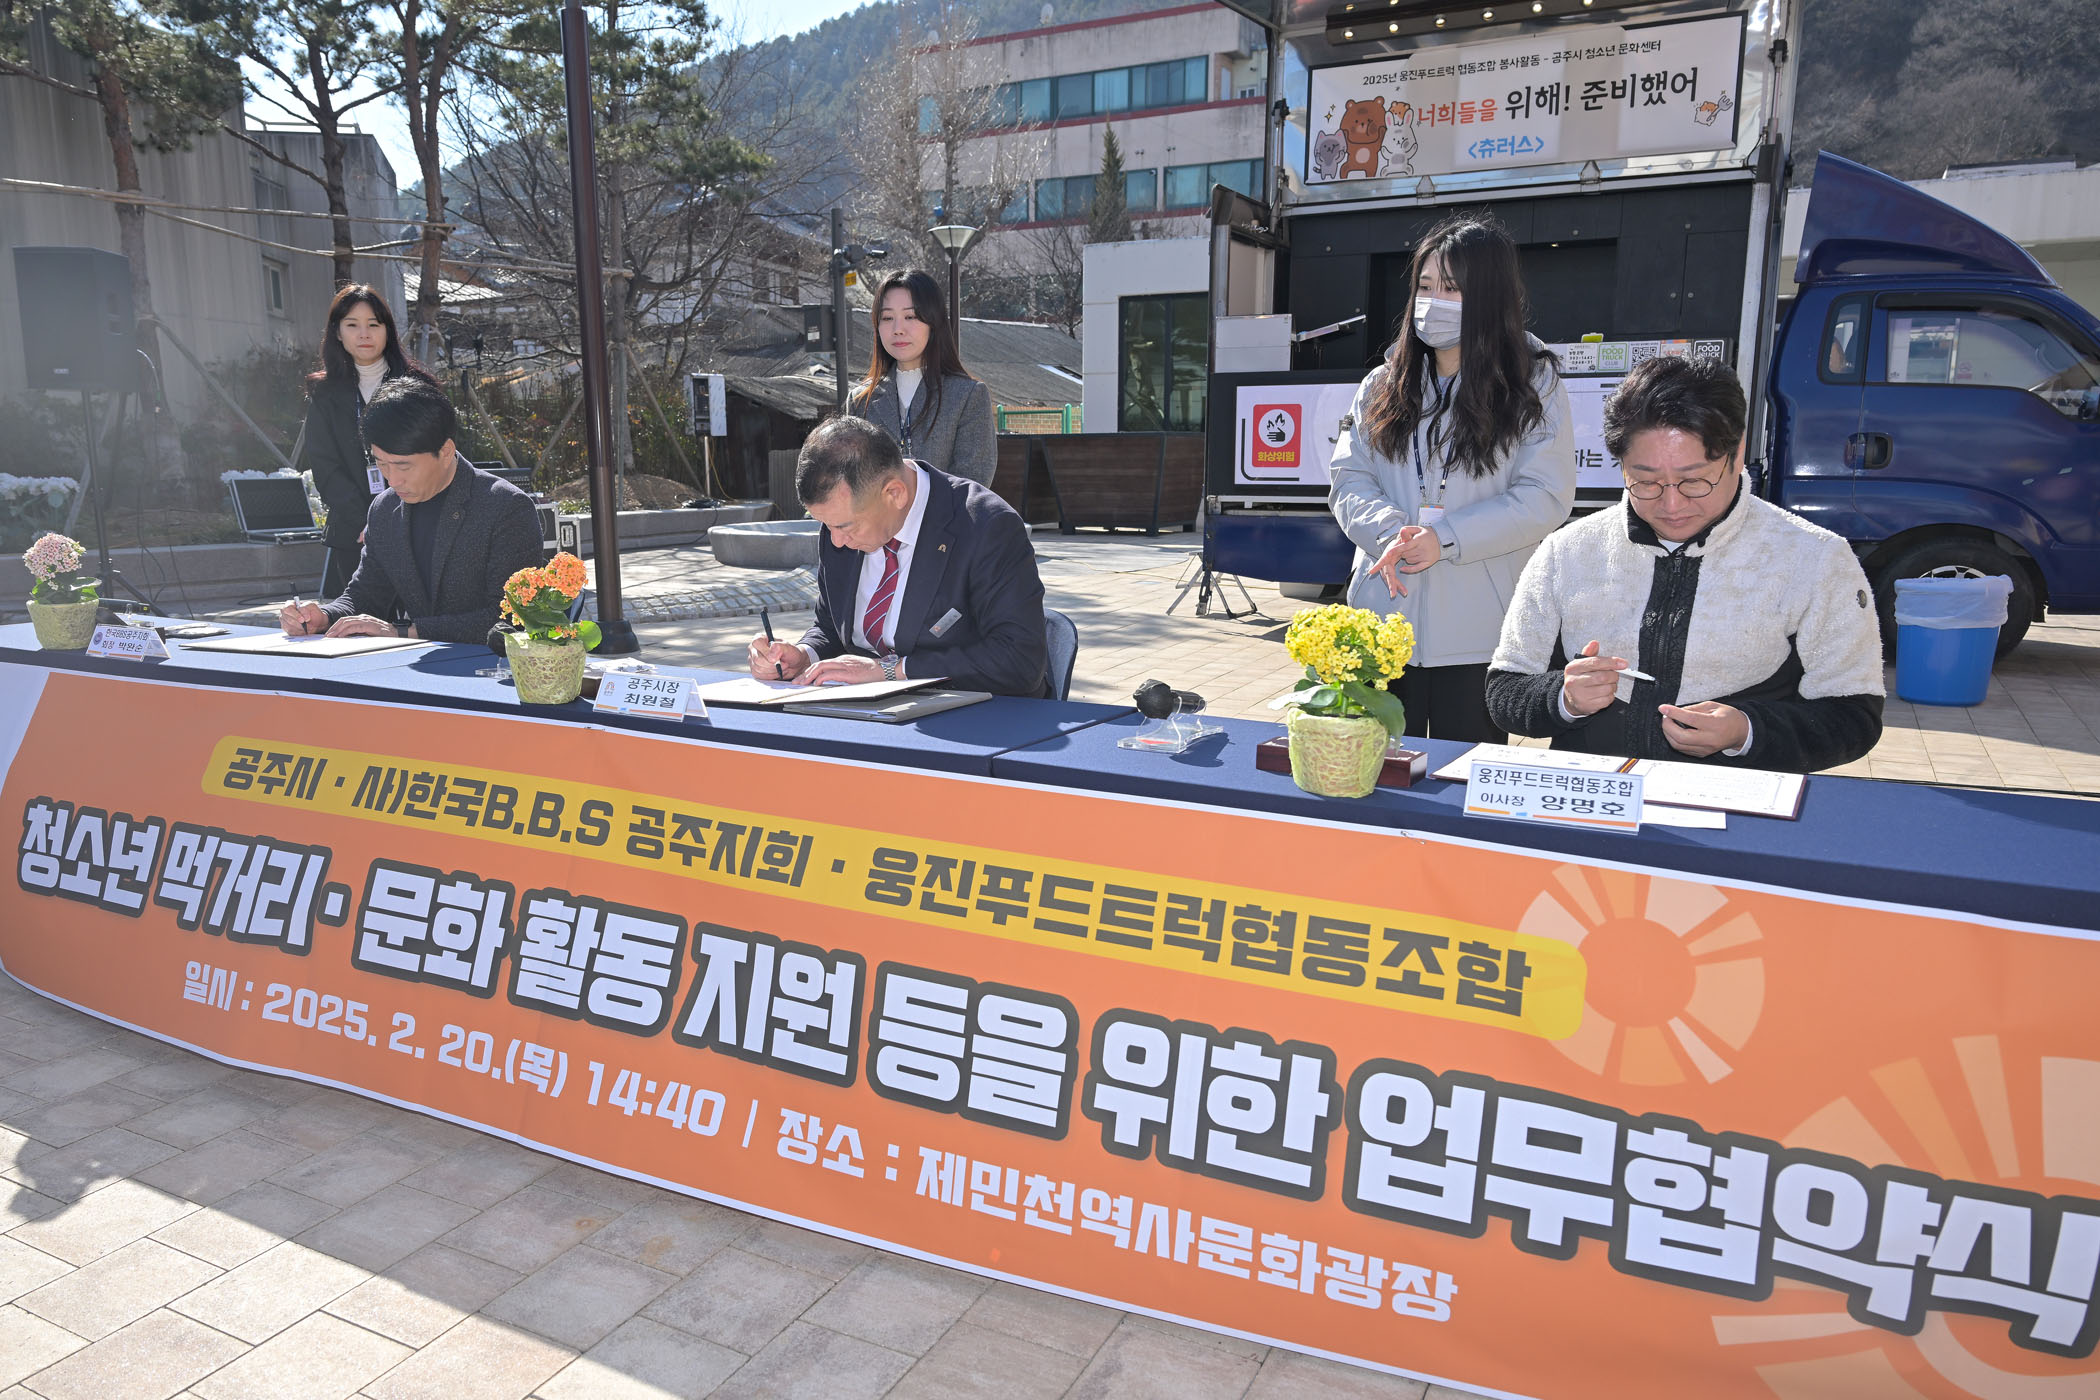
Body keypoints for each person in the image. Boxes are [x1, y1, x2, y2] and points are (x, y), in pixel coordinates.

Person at [1486, 355, 1885, 772]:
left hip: (1735, 802)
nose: (1672, 504)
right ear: (1621, 466)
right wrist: (1563, 699)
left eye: (1694, 480)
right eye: (1646, 481)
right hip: (1594, 795)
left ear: (1736, 454)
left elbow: (1853, 717)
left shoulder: (1815, 558)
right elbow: (1505, 690)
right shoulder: (1567, 551)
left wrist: (1746, 731)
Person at [1327, 216, 1576, 743]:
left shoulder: (1532, 383)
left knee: (1463, 776)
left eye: (1452, 288)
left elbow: (1545, 495)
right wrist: (1390, 533)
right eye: (1425, 286)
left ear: (1490, 295)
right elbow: (1349, 478)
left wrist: (1444, 538)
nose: (1433, 301)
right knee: (1375, 768)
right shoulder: (1382, 383)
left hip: (1479, 632)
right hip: (1381, 624)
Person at [746, 415, 1047, 696]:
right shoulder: (840, 523)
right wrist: (804, 655)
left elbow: (1019, 660)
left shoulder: (986, 527)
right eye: (826, 525)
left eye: (845, 526)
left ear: (895, 494)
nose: (836, 540)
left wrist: (891, 671)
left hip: (976, 713)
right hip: (865, 710)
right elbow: (831, 626)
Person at [278, 378, 544, 644]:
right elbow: (366, 595)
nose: (393, 480)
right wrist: (324, 617)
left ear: (446, 451)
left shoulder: (505, 507)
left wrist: (403, 632)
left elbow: (511, 617)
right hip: (413, 661)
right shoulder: (385, 508)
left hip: (490, 664)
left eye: (404, 466)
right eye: (382, 464)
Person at [299, 285, 438, 595]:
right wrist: (369, 522)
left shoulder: (418, 386)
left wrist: (398, 520)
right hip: (353, 533)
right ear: (337, 333)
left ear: (388, 330)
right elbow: (325, 467)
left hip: (417, 527)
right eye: (352, 325)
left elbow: (435, 460)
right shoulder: (324, 394)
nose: (364, 334)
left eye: (373, 324)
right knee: (360, 617)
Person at [848, 270, 997, 486]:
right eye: (887, 318)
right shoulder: (860, 401)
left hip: (945, 510)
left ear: (933, 323)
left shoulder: (967, 396)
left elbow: (973, 484)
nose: (898, 329)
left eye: (910, 317)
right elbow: (855, 483)